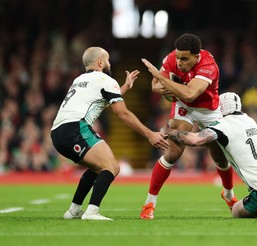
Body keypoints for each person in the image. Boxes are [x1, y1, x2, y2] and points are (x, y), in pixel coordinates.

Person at [50, 47, 169, 220]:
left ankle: (74, 210)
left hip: (57, 132)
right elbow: (122, 113)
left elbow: (100, 102)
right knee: (111, 167)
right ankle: (92, 212)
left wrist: (126, 87)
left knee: (96, 167)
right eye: (107, 60)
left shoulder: (79, 80)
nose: (109, 63)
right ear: (100, 62)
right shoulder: (105, 79)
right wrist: (149, 134)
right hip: (76, 128)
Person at [140, 33, 236, 219]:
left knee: (220, 157)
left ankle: (229, 194)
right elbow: (154, 86)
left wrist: (164, 82)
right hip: (183, 107)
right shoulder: (171, 59)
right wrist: (161, 85)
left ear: (196, 56)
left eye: (184, 59)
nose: (179, 62)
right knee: (173, 153)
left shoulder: (208, 66)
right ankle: (149, 203)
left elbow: (191, 93)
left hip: (208, 110)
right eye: (178, 57)